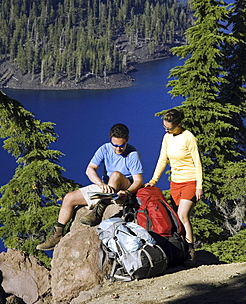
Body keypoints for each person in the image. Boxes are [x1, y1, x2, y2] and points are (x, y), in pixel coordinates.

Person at [37, 123, 143, 251]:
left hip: (122, 190)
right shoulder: (105, 149)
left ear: (127, 140)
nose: (118, 149)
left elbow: (138, 180)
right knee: (69, 198)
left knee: (115, 175)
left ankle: (99, 209)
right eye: (114, 145)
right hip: (106, 188)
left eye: (121, 146)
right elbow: (90, 169)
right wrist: (100, 184)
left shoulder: (132, 154)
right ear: (110, 140)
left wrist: (127, 192)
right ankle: (57, 234)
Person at [145, 109, 203, 266]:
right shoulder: (167, 138)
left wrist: (199, 186)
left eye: (169, 128)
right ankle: (181, 250)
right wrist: (153, 180)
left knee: (183, 215)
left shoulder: (189, 138)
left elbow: (198, 162)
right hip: (175, 183)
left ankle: (191, 252)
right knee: (177, 219)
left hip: (190, 182)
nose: (167, 130)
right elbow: (162, 159)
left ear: (179, 124)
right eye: (164, 127)